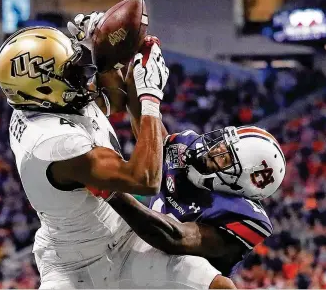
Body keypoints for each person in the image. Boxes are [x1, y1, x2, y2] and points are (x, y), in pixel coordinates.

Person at [0, 20, 234, 289]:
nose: (84, 76)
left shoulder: (45, 99)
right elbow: (144, 179)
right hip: (74, 267)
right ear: (45, 88)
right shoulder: (53, 143)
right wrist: (150, 96)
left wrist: (109, 50)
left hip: (125, 237)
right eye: (72, 72)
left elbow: (115, 98)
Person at [99, 43, 287, 280]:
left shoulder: (243, 217)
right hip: (133, 267)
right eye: (221, 143)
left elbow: (175, 238)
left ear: (239, 185)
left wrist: (109, 190)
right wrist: (138, 72)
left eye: (225, 157)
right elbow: (149, 135)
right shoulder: (187, 149)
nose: (212, 151)